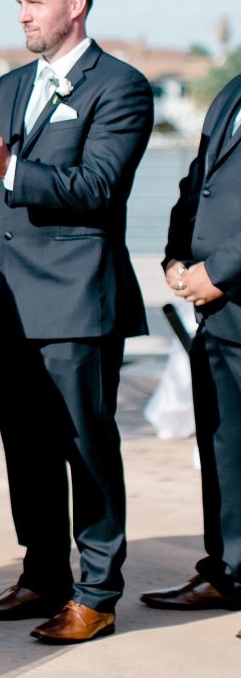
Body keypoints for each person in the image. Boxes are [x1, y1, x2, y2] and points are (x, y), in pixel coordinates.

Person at [0, 0, 153, 644]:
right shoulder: (8, 85)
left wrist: (7, 166)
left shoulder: (119, 87)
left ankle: (95, 593)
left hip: (76, 299)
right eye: (17, 2)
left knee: (84, 444)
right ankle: (41, 577)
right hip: (8, 299)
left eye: (33, 1)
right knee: (24, 447)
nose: (21, 14)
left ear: (75, 5)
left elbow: (97, 188)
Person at [140, 69, 241, 637]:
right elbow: (196, 181)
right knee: (224, 447)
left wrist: (220, 272)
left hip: (229, 286)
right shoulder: (232, 89)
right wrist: (177, 258)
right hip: (216, 312)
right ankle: (228, 572)